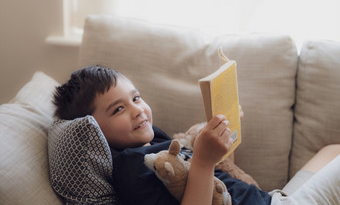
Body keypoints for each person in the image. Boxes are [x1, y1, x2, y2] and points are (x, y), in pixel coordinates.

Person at [53, 65, 340, 205]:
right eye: (118, 109)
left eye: (136, 98)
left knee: (331, 149)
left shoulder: (151, 141)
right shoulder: (130, 168)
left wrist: (215, 137)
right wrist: (203, 160)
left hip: (272, 198)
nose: (137, 110)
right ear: (95, 131)